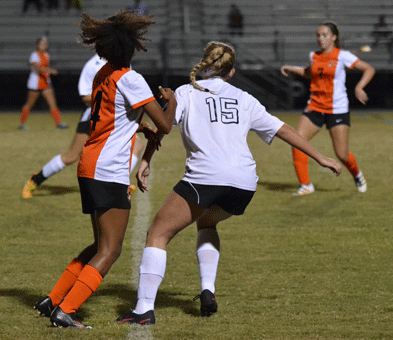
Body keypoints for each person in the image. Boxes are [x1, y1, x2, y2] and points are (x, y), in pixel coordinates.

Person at [116, 41, 342, 325]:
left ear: (203, 62)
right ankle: (208, 290)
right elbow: (282, 129)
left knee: (158, 234)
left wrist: (146, 159)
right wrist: (320, 157)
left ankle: (143, 309)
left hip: (206, 178)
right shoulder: (244, 98)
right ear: (231, 72)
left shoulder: (186, 92)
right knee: (207, 223)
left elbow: (163, 125)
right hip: (244, 184)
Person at [32, 11, 177, 329]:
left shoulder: (104, 75)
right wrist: (172, 100)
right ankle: (66, 310)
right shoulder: (131, 78)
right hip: (107, 170)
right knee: (111, 251)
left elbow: (115, 117)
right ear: (130, 49)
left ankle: (53, 299)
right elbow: (165, 123)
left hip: (88, 164)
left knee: (99, 245)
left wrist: (140, 129)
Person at [21, 54, 144, 198]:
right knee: (71, 156)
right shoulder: (93, 65)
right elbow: (85, 96)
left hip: (115, 117)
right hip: (93, 117)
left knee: (137, 145)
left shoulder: (123, 62)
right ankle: (35, 180)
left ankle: (118, 186)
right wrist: (110, 98)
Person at [280, 22, 375, 196]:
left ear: (334, 37)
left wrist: (359, 87)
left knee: (342, 154)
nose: (321, 39)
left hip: (337, 109)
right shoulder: (313, 55)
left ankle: (357, 174)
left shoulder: (343, 55)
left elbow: (369, 69)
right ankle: (306, 185)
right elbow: (310, 74)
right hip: (315, 106)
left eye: (325, 35)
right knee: (297, 142)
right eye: (318, 35)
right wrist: (291, 68)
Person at [18, 36, 68, 130]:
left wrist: (48, 72)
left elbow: (43, 69)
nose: (44, 46)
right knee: (29, 104)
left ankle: (59, 124)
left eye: (45, 44)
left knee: (53, 104)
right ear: (38, 45)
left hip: (45, 83)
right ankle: (22, 124)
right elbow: (37, 68)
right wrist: (50, 71)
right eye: (42, 44)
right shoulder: (34, 55)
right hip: (35, 84)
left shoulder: (46, 55)